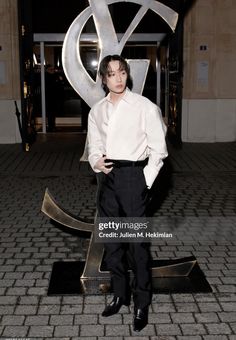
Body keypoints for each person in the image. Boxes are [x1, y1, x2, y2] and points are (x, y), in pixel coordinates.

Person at [87, 55, 168, 332]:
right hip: (107, 181)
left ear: (127, 74)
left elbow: (159, 149)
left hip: (134, 178)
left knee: (137, 246)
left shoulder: (144, 107)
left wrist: (144, 180)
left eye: (122, 72)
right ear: (103, 78)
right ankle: (120, 295)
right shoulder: (96, 110)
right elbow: (94, 145)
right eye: (111, 74)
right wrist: (96, 160)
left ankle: (142, 302)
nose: (118, 78)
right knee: (112, 245)